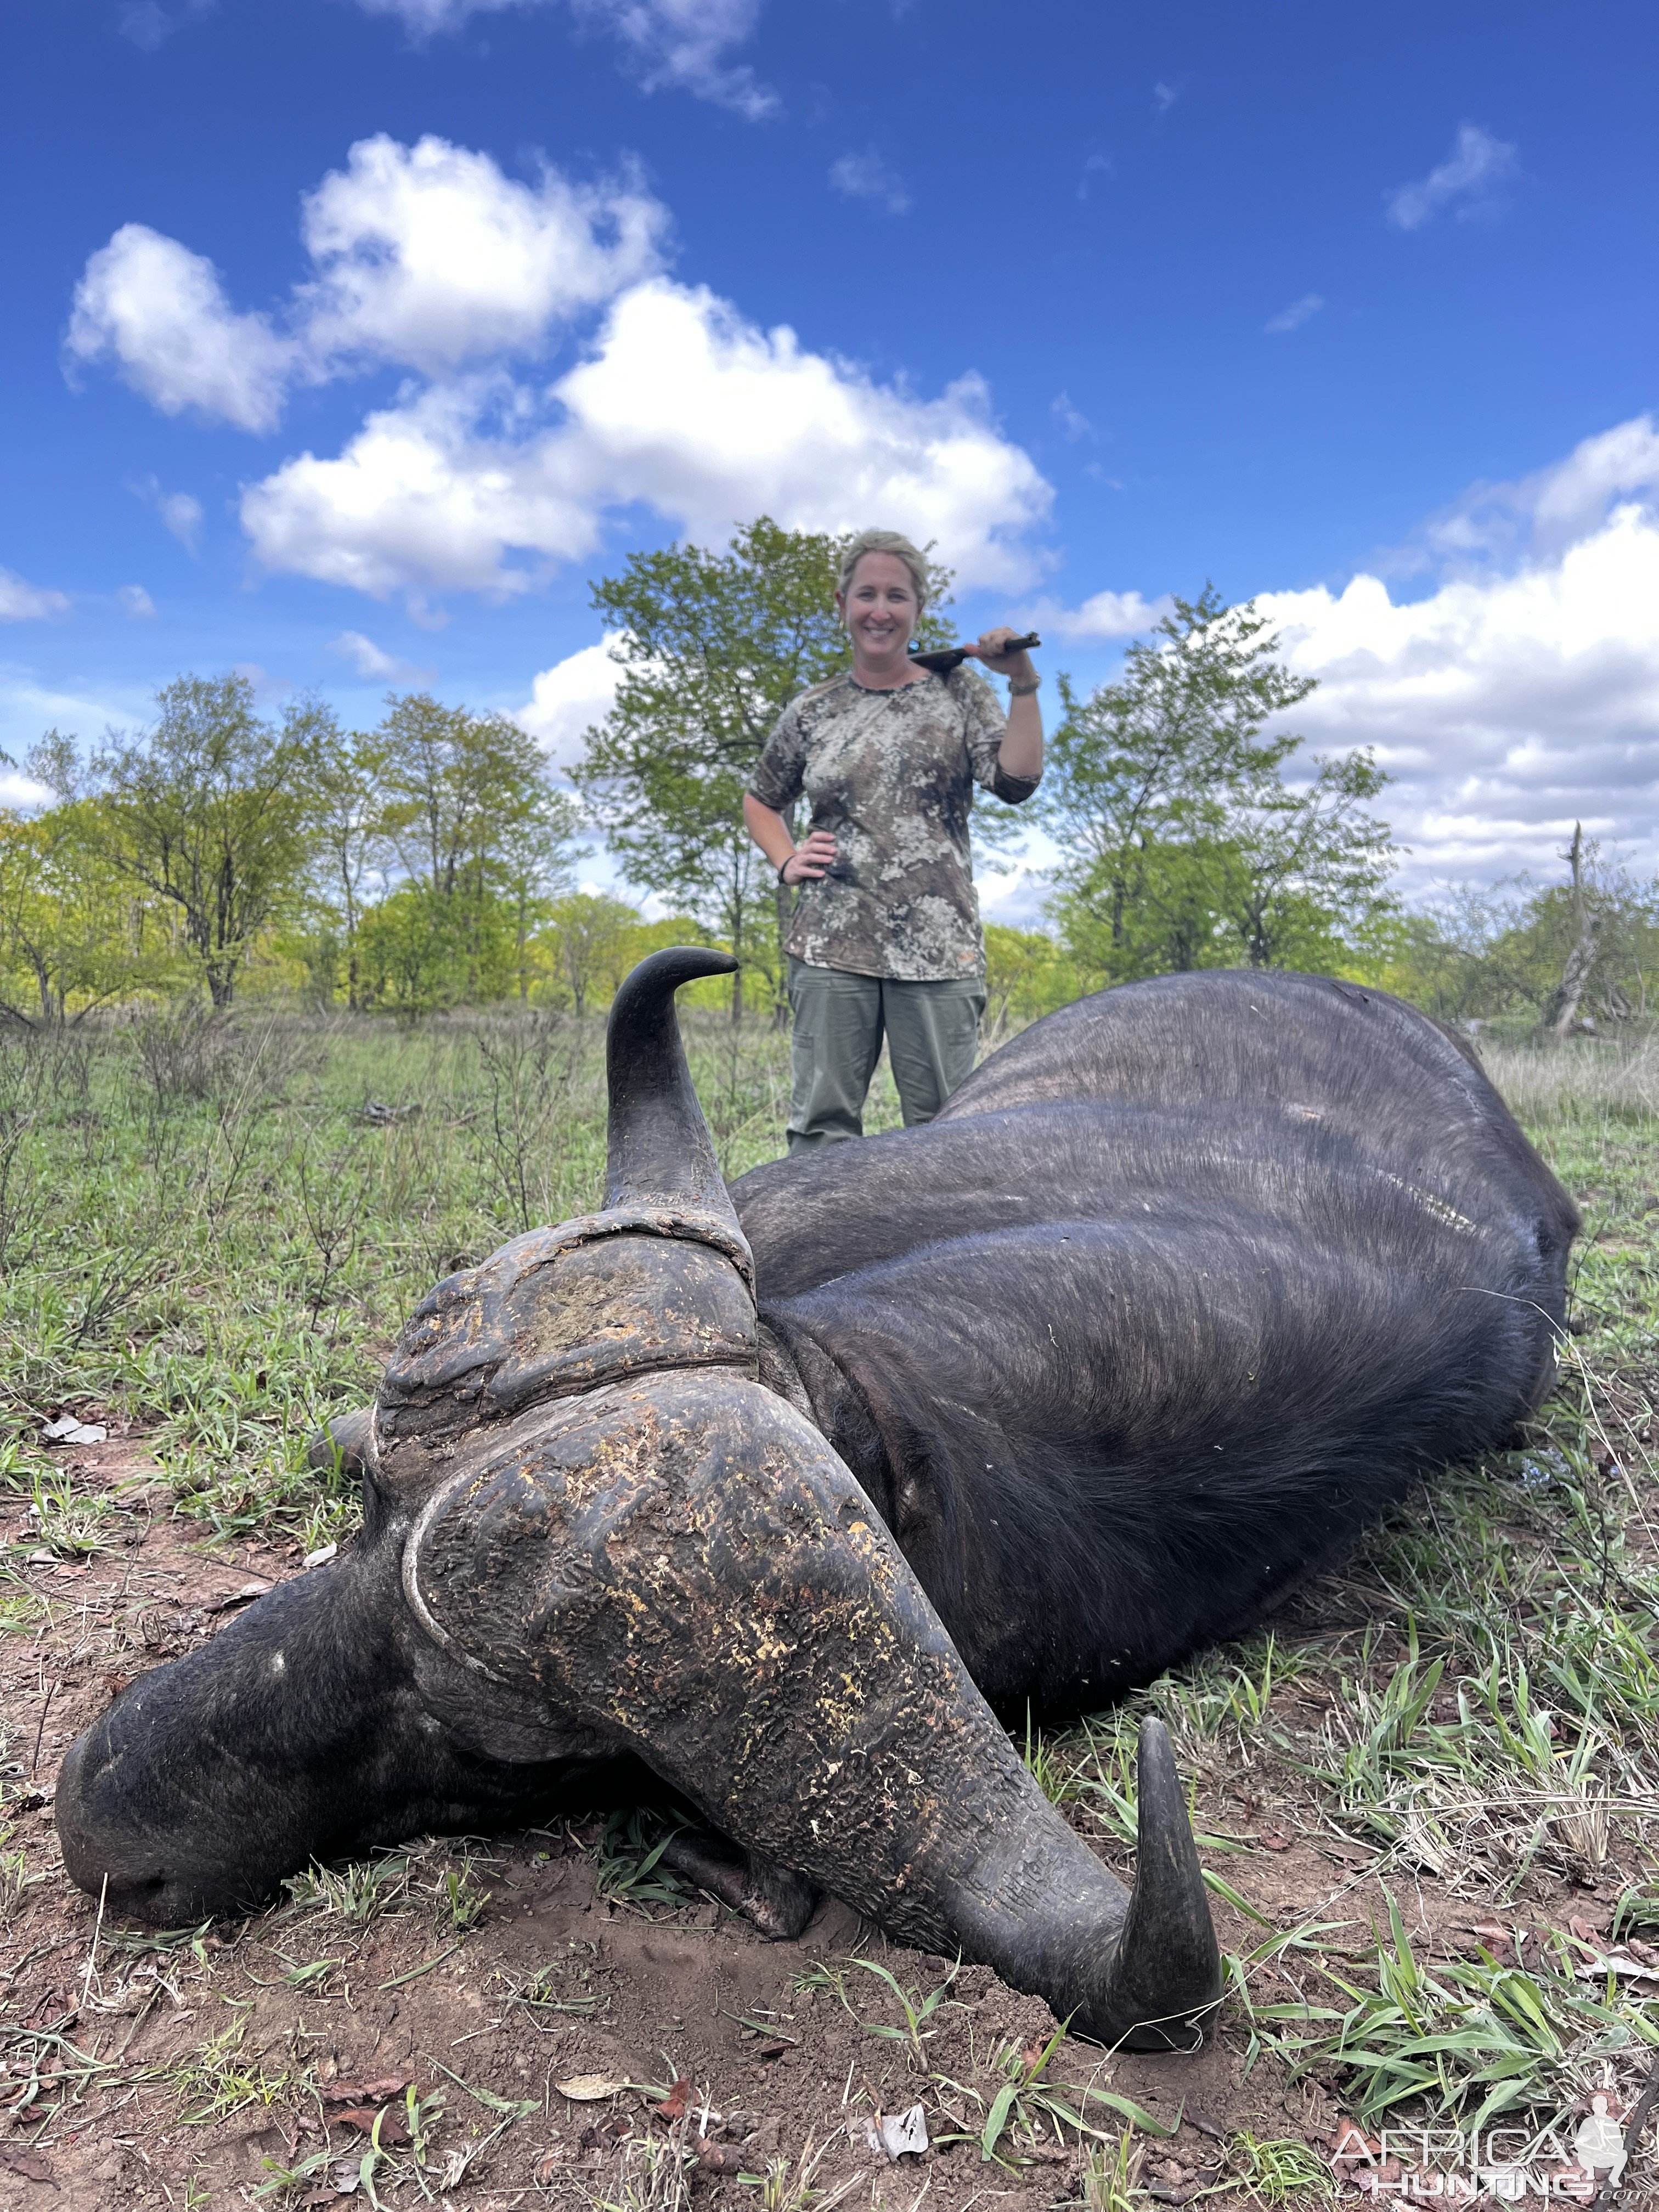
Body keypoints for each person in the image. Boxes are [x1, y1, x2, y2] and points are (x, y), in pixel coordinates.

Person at [743, 527, 1043, 1152]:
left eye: (897, 596)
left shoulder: (958, 691)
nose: (881, 610)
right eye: (867, 594)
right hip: (831, 948)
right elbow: (762, 800)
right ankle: (820, 1252)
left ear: (918, 610)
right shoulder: (812, 710)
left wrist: (1022, 682)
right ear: (842, 604)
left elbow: (1016, 780)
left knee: (948, 1136)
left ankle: (951, 1253)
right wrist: (787, 859)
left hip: (939, 950)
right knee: (821, 1131)